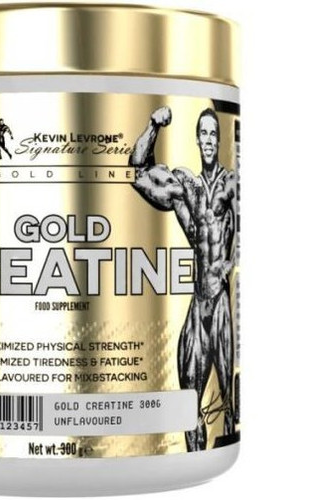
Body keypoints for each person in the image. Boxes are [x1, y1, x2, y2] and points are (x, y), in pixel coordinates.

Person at [129, 106, 236, 451]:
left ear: (220, 139)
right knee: (188, 408)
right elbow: (138, 173)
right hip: (198, 302)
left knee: (229, 407)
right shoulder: (186, 187)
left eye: (213, 133)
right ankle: (194, 454)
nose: (209, 140)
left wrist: (230, 262)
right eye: (203, 133)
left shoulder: (232, 184)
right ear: (197, 139)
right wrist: (153, 126)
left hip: (221, 303)